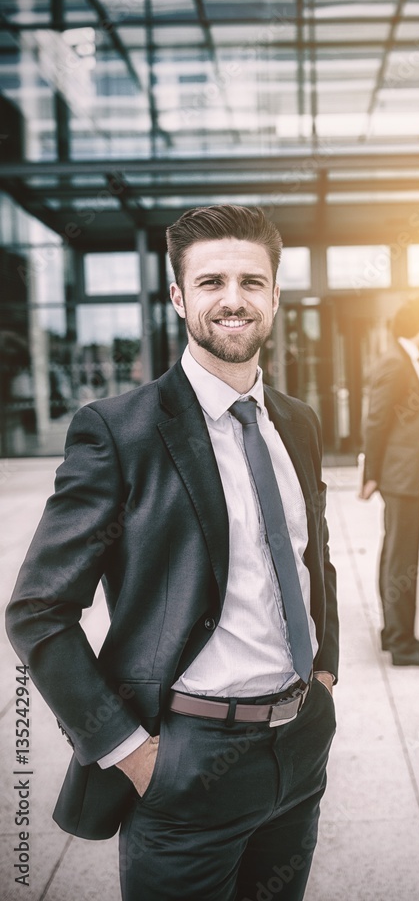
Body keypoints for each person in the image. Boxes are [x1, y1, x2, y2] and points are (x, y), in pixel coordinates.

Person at [5, 205, 339, 901]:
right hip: (187, 759)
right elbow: (39, 610)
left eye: (252, 281)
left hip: (299, 747)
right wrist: (133, 753)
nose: (233, 299)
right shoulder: (119, 433)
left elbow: (312, 555)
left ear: (275, 295)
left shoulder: (298, 422)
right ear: (179, 297)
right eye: (211, 281)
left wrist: (324, 673)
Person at [359, 296, 419, 667]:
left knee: (396, 556)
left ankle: (396, 634)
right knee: (402, 560)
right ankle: (402, 643)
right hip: (401, 478)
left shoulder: (404, 360)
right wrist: (371, 476)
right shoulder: (396, 363)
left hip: (404, 475)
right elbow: (375, 422)